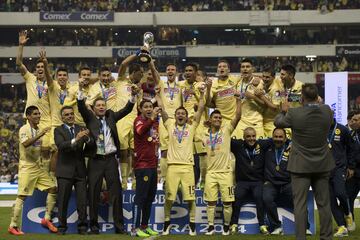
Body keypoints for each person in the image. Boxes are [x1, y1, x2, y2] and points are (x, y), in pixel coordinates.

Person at [77, 81, 139, 234]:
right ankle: (94, 226)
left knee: (116, 193)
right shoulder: (90, 118)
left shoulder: (111, 116)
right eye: (98, 105)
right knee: (92, 193)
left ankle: (119, 227)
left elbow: (126, 109)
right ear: (94, 108)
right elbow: (80, 106)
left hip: (111, 160)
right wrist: (80, 89)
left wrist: (133, 96)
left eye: (103, 105)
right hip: (95, 160)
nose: (101, 107)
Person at [274, 83, 334, 240]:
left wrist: (283, 110)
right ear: (317, 97)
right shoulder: (327, 110)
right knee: (324, 204)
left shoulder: (294, 113)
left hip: (300, 165)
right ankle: (327, 237)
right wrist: (316, 102)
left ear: (302, 98)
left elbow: (278, 123)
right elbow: (320, 106)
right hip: (322, 163)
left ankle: (301, 237)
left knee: (299, 205)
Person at [157, 82, 206, 236]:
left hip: (187, 167)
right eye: (178, 113)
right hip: (172, 167)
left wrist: (203, 95)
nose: (180, 115)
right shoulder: (170, 126)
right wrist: (158, 94)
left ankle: (192, 224)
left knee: (191, 198)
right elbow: (163, 110)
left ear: (186, 116)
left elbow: (202, 109)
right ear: (175, 115)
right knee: (169, 198)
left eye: (183, 113)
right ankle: (166, 224)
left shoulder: (192, 127)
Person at [8, 106, 57, 235]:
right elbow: (26, 144)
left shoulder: (39, 129)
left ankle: (46, 219)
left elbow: (38, 149)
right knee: (22, 196)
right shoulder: (24, 129)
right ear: (28, 116)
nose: (38, 116)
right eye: (35, 114)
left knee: (53, 188)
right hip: (27, 167)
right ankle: (13, 225)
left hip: (38, 167)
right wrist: (40, 134)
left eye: (39, 114)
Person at [202, 96, 242, 236]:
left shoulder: (226, 131)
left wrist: (238, 101)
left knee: (227, 203)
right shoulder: (204, 135)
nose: (218, 119)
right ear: (210, 120)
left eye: (220, 118)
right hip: (211, 173)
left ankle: (226, 227)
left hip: (226, 173)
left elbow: (237, 116)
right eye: (215, 117)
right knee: (211, 202)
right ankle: (211, 227)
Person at [54, 106, 92, 235]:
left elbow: (91, 145)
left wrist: (87, 138)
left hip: (81, 171)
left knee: (82, 202)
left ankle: (82, 228)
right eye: (67, 115)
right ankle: (62, 228)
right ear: (62, 117)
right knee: (62, 202)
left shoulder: (81, 128)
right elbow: (61, 146)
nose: (70, 116)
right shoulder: (58, 130)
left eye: (71, 114)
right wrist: (76, 139)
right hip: (64, 171)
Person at [230, 127, 269, 235]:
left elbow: (277, 139)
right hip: (242, 182)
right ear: (243, 137)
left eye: (253, 136)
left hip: (257, 182)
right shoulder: (238, 145)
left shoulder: (262, 144)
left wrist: (290, 142)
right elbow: (224, 138)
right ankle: (233, 224)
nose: (251, 139)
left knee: (259, 198)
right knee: (236, 198)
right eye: (248, 136)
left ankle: (262, 225)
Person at [131, 100, 161, 237]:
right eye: (146, 107)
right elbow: (141, 131)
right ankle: (135, 229)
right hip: (142, 166)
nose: (149, 109)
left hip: (153, 165)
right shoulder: (139, 121)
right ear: (140, 109)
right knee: (140, 198)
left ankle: (145, 226)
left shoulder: (155, 123)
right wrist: (153, 118)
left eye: (151, 107)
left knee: (149, 198)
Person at [328, 117, 356, 237]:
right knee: (331, 200)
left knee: (340, 193)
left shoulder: (342, 129)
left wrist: (351, 166)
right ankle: (342, 227)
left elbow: (351, 148)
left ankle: (347, 213)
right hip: (323, 170)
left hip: (339, 168)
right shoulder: (318, 129)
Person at [262, 128, 292, 234]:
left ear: (285, 138)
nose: (278, 139)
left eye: (280, 137)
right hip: (271, 183)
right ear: (272, 137)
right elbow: (254, 142)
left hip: (287, 183)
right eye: (275, 136)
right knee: (266, 198)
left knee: (299, 198)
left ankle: (305, 227)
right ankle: (276, 226)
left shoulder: (291, 148)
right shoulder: (266, 147)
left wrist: (292, 142)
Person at [158, 63, 181, 185]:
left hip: (178, 121)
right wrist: (149, 59)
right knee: (164, 150)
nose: (170, 71)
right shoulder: (161, 85)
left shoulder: (181, 85)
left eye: (173, 69)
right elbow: (154, 72)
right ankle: (165, 179)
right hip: (164, 120)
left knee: (178, 150)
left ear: (176, 72)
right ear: (165, 72)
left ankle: (176, 178)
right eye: (168, 69)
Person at [233, 58, 265, 139]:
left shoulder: (260, 83)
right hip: (242, 121)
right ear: (240, 69)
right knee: (236, 145)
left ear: (253, 69)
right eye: (243, 67)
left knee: (258, 148)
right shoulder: (238, 82)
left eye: (248, 66)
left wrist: (253, 97)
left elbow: (265, 105)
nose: (245, 69)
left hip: (256, 121)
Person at [255, 66, 283, 137]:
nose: (264, 79)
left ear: (273, 77)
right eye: (263, 76)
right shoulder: (262, 83)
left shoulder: (277, 90)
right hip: (261, 121)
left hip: (273, 123)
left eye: (267, 77)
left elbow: (275, 107)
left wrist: (261, 96)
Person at [346, 110, 360, 231]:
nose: (353, 122)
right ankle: (351, 223)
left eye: (356, 120)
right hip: (354, 172)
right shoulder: (351, 135)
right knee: (348, 197)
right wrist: (350, 167)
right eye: (352, 120)